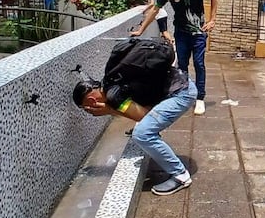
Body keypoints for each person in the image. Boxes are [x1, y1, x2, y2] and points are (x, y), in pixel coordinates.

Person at [73, 52, 196, 196]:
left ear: (91, 101)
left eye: (85, 107)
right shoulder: (110, 81)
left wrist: (109, 110)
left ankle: (180, 176)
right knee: (145, 127)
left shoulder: (114, 96)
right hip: (181, 82)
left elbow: (142, 116)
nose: (88, 111)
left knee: (142, 134)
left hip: (181, 93)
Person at [131, 0, 217, 116]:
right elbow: (155, 9)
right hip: (181, 32)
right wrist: (141, 30)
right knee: (181, 65)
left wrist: (212, 20)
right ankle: (183, 94)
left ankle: (200, 97)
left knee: (199, 63)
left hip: (199, 32)